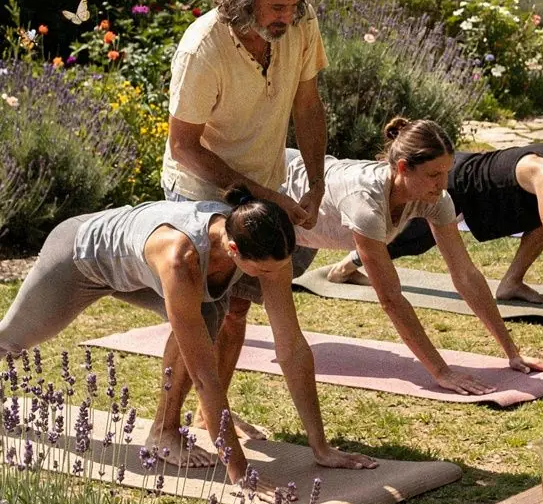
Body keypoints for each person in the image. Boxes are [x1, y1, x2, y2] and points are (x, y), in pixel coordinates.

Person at [0, 188, 376, 484]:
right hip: (81, 257)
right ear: (232, 249)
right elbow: (204, 378)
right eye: (261, 271)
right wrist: (238, 470)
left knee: (209, 314)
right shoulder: (181, 257)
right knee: (12, 340)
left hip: (138, 272)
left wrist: (321, 446)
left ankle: (163, 433)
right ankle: (165, 432)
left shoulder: (267, 246)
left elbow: (291, 347)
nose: (270, 277)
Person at [160, 0, 329, 418]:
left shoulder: (301, 26)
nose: (287, 16)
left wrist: (315, 183)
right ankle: (165, 426)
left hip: (263, 181)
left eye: (294, 5)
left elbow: (308, 105)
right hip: (198, 187)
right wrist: (264, 194)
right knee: (201, 311)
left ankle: (214, 417)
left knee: (238, 308)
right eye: (276, 6)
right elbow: (183, 147)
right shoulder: (202, 48)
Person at [283, 117, 543, 395]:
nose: (442, 184)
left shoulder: (436, 199)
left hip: (300, 226)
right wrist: (442, 372)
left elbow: (465, 274)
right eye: (433, 175)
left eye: (446, 172)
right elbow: (390, 299)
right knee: (240, 304)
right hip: (278, 183)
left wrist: (512, 353)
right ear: (404, 168)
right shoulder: (365, 203)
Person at [328, 126, 543, 336]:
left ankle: (510, 283)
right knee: (411, 239)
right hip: (463, 183)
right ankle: (348, 266)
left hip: (495, 195)